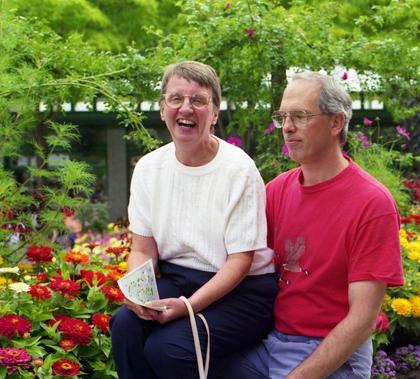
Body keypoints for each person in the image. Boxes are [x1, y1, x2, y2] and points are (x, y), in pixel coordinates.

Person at [216, 71, 404, 379]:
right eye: (283, 116)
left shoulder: (372, 204)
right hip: (271, 342)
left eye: (301, 116)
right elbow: (241, 263)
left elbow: (362, 319)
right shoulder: (276, 191)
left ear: (336, 123)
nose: (287, 127)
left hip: (332, 354)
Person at [111, 60, 277, 379]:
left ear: (214, 113)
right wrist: (138, 294)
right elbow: (143, 249)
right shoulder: (148, 168)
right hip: (177, 277)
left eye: (198, 100)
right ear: (162, 109)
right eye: (176, 99)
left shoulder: (238, 171)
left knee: (168, 349)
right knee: (125, 326)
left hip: (242, 291)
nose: (186, 108)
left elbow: (240, 261)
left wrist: (187, 307)